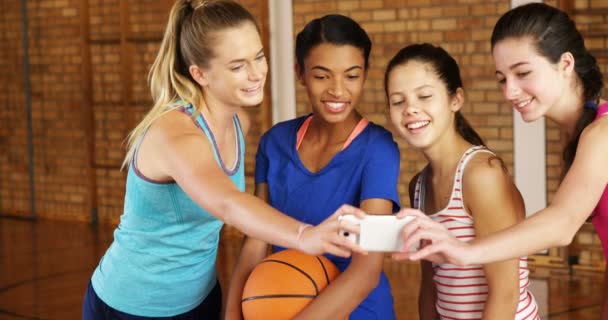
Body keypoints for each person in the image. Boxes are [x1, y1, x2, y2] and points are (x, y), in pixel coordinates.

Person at [81, 1, 366, 319]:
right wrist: (304, 235)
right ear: (200, 73)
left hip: (200, 297)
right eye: (237, 66)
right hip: (132, 304)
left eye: (258, 57)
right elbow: (228, 203)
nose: (257, 73)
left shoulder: (237, 123)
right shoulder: (176, 135)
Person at [395, 2, 607, 316]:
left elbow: (562, 225)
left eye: (522, 73)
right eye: (502, 78)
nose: (509, 92)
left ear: (565, 64)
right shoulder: (581, 135)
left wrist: (465, 252)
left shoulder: (601, 134)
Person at [224, 14, 401, 320]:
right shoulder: (274, 143)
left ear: (365, 74)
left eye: (351, 75)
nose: (337, 90)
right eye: (322, 76)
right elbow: (254, 243)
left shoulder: (381, 150)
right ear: (300, 73)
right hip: (280, 302)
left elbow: (367, 272)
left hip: (357, 310)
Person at [385, 43, 539, 319]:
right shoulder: (418, 186)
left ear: (455, 99)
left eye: (424, 96)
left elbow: (505, 293)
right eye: (398, 101)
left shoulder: (481, 175)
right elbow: (430, 286)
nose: (410, 109)